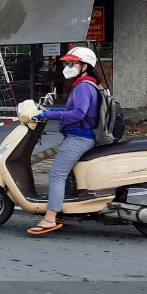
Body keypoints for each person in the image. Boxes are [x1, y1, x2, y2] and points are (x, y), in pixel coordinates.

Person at [28, 47, 101, 235]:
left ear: (85, 66)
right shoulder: (87, 84)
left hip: (79, 137)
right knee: (65, 175)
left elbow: (78, 114)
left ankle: (50, 217)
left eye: (72, 63)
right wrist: (50, 113)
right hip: (79, 136)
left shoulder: (84, 86)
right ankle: (62, 210)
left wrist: (51, 115)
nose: (68, 66)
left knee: (56, 175)